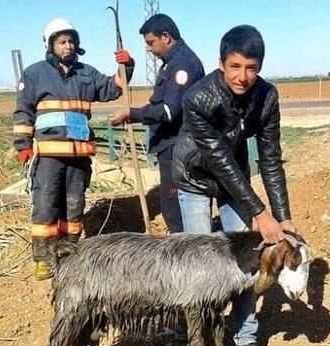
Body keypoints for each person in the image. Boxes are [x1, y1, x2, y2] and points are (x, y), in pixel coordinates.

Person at [172, 25, 296, 346]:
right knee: (197, 267)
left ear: (260, 67)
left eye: (251, 68)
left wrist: (282, 217)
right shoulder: (199, 98)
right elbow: (217, 160)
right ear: (221, 64)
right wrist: (260, 212)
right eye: (235, 66)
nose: (243, 76)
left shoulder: (267, 97)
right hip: (195, 176)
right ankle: (189, 336)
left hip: (235, 180)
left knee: (246, 262)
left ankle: (244, 340)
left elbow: (270, 158)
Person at [13, 18, 135, 280]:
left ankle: (68, 254)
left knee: (73, 207)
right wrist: (23, 147)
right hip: (48, 157)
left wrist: (127, 66)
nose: (67, 46)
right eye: (62, 41)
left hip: (78, 157)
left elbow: (114, 87)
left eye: (71, 41)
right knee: (45, 207)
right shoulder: (34, 74)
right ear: (51, 44)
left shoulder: (86, 73)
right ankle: (45, 259)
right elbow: (23, 112)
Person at [109, 14, 204, 233]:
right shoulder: (170, 64)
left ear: (166, 37)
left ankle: (184, 256)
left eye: (151, 43)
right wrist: (129, 65)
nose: (149, 49)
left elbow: (168, 111)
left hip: (178, 147)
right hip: (171, 147)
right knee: (172, 206)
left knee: (176, 209)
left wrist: (130, 113)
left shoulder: (183, 65)